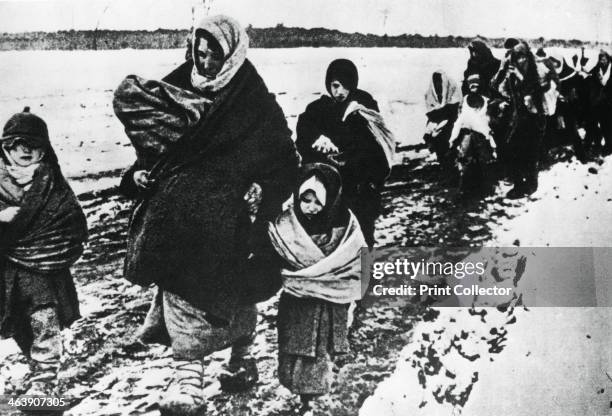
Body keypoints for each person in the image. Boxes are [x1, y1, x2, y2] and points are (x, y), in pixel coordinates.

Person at [115, 15, 299, 415]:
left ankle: (237, 358)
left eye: (213, 55)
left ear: (231, 55)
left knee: (234, 291)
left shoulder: (253, 101)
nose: (204, 63)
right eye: (199, 53)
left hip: (231, 217)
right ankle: (188, 375)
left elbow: (286, 161)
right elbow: (153, 148)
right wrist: (139, 176)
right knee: (184, 287)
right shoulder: (179, 85)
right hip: (180, 218)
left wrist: (263, 189)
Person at [0, 107, 88, 396]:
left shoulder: (52, 183)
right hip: (7, 272)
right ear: (4, 147)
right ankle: (39, 375)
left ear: (44, 149)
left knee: (44, 322)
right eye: (15, 144)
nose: (24, 150)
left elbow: (71, 221)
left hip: (44, 271)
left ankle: (44, 384)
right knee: (20, 326)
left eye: (33, 144)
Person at [267, 163, 366, 413]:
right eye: (305, 200)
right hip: (296, 304)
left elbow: (354, 264)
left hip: (327, 306)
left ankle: (313, 399)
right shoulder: (287, 227)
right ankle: (304, 396)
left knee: (319, 350)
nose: (310, 207)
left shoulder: (346, 231)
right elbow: (275, 254)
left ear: (330, 200)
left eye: (317, 201)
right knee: (294, 347)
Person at [295, 59, 392, 247]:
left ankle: (366, 272)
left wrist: (346, 154)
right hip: (332, 185)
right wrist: (318, 138)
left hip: (360, 185)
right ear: (328, 84)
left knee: (363, 234)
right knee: (334, 235)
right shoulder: (318, 108)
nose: (340, 92)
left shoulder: (364, 106)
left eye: (346, 87)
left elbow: (377, 144)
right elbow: (304, 134)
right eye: (335, 86)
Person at [492, 41, 545, 198]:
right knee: (512, 148)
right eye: (516, 57)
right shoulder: (511, 71)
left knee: (530, 152)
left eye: (522, 57)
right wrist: (502, 69)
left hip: (533, 118)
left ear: (527, 57)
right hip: (516, 117)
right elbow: (495, 86)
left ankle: (530, 184)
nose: (519, 60)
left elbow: (536, 89)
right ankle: (519, 184)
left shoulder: (536, 71)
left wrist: (520, 77)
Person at [450, 73, 496, 195]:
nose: (473, 85)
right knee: (465, 160)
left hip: (482, 136)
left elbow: (489, 121)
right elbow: (459, 120)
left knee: (484, 161)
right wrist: (453, 138)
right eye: (471, 83)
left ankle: (486, 189)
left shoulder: (487, 102)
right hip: (466, 134)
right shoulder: (464, 101)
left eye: (476, 82)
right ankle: (465, 189)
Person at [547, 50, 588, 162]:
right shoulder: (549, 74)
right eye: (551, 63)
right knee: (551, 128)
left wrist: (569, 95)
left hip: (569, 107)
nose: (553, 65)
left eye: (555, 63)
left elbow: (578, 91)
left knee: (572, 129)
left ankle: (581, 155)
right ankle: (552, 152)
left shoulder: (571, 74)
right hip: (554, 106)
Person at [423, 70, 462, 164]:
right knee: (430, 135)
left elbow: (453, 108)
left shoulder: (452, 88)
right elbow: (430, 112)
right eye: (435, 81)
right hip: (438, 120)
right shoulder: (430, 93)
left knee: (445, 135)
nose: (438, 84)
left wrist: (441, 112)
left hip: (452, 120)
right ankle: (442, 159)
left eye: (439, 81)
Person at [584, 49, 612, 155]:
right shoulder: (597, 69)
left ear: (609, 59)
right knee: (594, 124)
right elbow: (591, 79)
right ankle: (597, 144)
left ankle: (609, 146)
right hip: (597, 102)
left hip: (609, 103)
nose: (603, 61)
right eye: (601, 59)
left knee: (607, 126)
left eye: (605, 59)